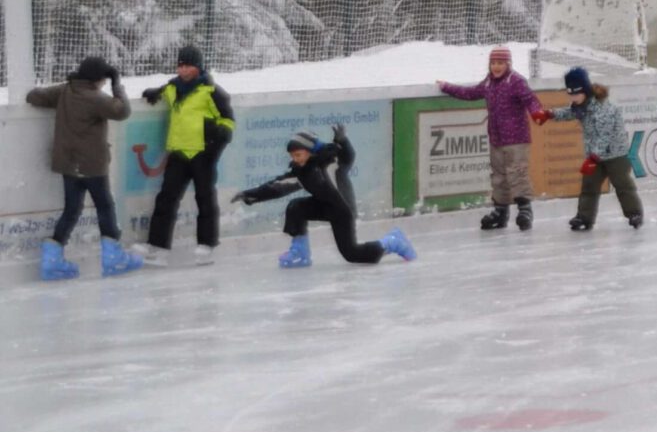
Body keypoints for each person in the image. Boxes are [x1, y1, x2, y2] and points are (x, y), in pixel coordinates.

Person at [238, 127, 415, 267]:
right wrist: (251, 194)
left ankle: (392, 242)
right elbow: (277, 187)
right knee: (296, 207)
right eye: (293, 156)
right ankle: (300, 254)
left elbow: (348, 157)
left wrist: (343, 141)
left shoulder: (331, 161)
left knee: (352, 254)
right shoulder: (301, 171)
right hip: (323, 205)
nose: (296, 159)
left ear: (310, 151)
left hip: (342, 210)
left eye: (298, 154)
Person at [29, 57, 138, 280]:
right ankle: (112, 257)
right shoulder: (96, 98)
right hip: (91, 165)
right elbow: (122, 111)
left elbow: (34, 97)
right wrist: (117, 85)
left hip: (69, 165)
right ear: (98, 79)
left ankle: (52, 258)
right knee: (105, 206)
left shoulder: (64, 91)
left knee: (71, 209)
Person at [141, 44, 234, 263]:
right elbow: (167, 88)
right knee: (166, 198)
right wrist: (156, 92)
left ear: (198, 68)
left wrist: (217, 136)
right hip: (179, 152)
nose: (183, 70)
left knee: (205, 198)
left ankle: (206, 244)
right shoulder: (173, 88)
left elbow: (228, 120)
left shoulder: (211, 91)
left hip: (203, 153)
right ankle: (158, 245)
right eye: (180, 66)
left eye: (188, 66)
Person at [439, 46, 547, 229]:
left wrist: (537, 112)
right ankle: (501, 211)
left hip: (517, 139)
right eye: (493, 63)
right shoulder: (489, 82)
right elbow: (470, 93)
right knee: (499, 176)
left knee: (517, 173)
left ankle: (525, 210)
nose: (496, 67)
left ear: (508, 64)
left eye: (500, 63)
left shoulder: (516, 81)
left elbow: (530, 99)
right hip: (497, 139)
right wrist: (446, 87)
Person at [560, 68, 644, 232]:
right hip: (595, 155)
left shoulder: (602, 107)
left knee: (622, 184)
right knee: (589, 185)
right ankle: (584, 217)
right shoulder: (581, 107)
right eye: (570, 94)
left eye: (576, 93)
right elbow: (567, 113)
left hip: (615, 154)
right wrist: (547, 114)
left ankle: (634, 213)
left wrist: (592, 158)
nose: (573, 98)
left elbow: (604, 136)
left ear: (585, 90)